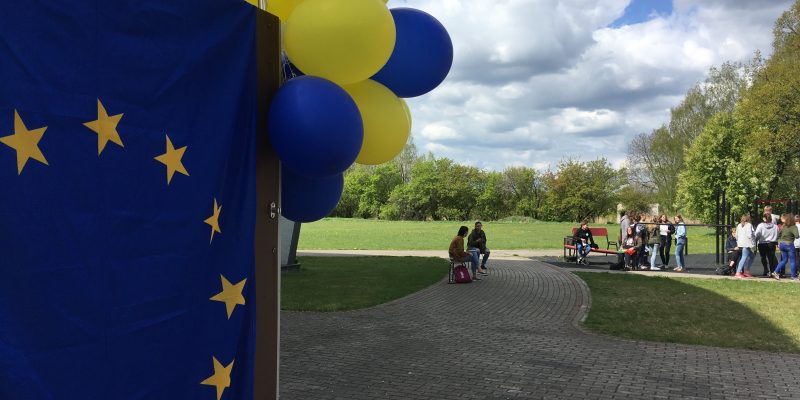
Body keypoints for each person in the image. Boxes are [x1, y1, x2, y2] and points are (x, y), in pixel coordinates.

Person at [771, 214, 799, 281]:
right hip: (789, 244)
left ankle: (775, 272)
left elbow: (779, 234)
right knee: (792, 261)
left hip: (782, 244)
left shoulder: (783, 226)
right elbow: (797, 236)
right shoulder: (793, 227)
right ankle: (793, 276)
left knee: (784, 260)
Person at [755, 213, 779, 277]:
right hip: (771, 243)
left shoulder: (760, 225)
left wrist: (756, 239)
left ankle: (766, 269)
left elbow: (757, 234)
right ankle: (772, 271)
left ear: (764, 218)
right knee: (771, 258)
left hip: (762, 243)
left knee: (763, 257)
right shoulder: (775, 226)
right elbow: (777, 234)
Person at [735, 214, 756, 279]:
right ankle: (738, 272)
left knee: (752, 256)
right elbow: (750, 235)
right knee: (744, 257)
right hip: (747, 244)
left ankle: (746, 271)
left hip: (741, 243)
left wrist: (738, 242)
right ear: (748, 219)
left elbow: (736, 235)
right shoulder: (749, 225)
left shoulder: (739, 225)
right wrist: (753, 243)